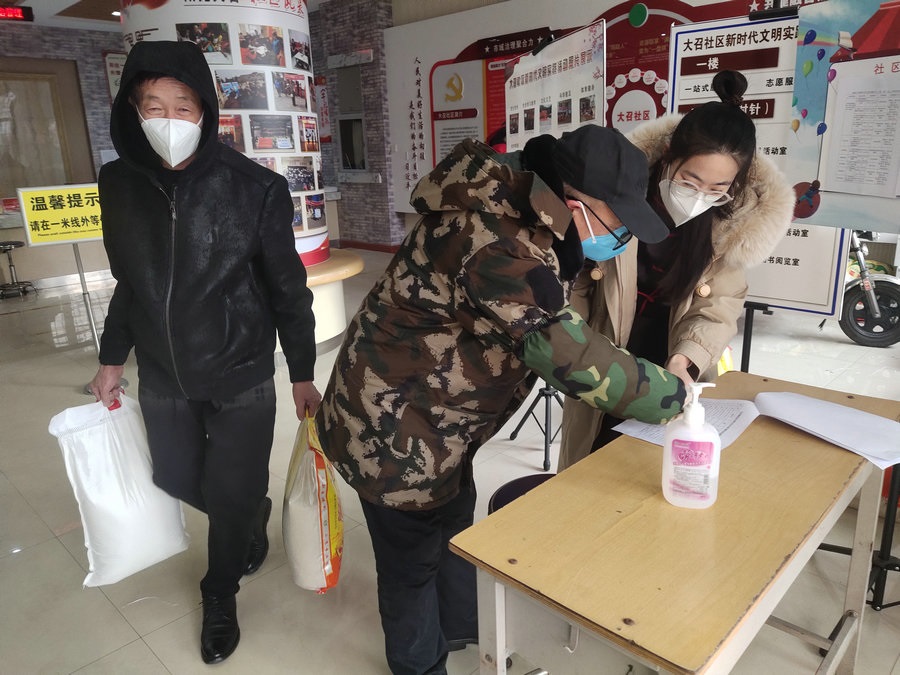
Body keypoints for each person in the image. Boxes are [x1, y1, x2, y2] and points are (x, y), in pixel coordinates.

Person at [317, 124, 689, 675]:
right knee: (410, 564)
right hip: (393, 427)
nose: (622, 238)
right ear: (577, 204)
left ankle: (466, 629)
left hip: (439, 419)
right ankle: (421, 667)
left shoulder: (521, 207)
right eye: (619, 224)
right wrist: (672, 395)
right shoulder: (495, 243)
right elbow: (566, 353)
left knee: (452, 524)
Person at [88, 40, 321, 665]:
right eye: (153, 105)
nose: (169, 119)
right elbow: (130, 282)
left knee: (229, 492)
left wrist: (302, 371)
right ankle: (247, 513)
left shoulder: (256, 188)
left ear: (205, 111)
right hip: (163, 371)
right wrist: (111, 359)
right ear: (133, 110)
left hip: (241, 371)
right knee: (175, 476)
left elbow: (288, 288)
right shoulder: (118, 183)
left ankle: (219, 591)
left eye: (183, 106)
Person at [558, 70, 795, 471]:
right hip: (604, 356)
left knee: (656, 470)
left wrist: (687, 358)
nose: (699, 197)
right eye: (689, 180)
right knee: (590, 464)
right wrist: (574, 346)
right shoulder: (618, 196)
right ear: (668, 155)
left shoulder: (733, 226)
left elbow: (719, 306)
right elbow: (577, 278)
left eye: (717, 189)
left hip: (672, 366)